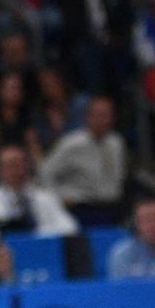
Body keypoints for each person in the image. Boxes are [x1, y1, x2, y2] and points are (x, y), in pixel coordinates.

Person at [38, 96, 126, 226]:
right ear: (88, 117)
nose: (103, 120)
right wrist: (57, 199)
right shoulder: (71, 143)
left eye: (107, 115)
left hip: (111, 208)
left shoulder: (116, 143)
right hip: (80, 210)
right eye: (99, 115)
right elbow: (44, 172)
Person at [0, 144, 77, 237]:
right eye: (11, 165)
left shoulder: (45, 198)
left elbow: (70, 227)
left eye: (21, 164)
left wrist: (37, 234)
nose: (18, 171)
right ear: (0, 170)